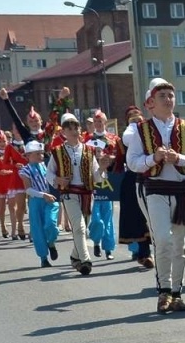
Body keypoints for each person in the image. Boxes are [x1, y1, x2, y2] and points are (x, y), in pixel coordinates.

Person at [126, 78, 185, 313]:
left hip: (181, 191)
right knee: (162, 239)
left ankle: (177, 293)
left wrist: (179, 159)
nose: (168, 100)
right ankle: (163, 291)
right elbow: (132, 163)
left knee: (180, 245)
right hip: (155, 189)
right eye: (163, 96)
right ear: (151, 102)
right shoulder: (142, 130)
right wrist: (155, 158)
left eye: (171, 96)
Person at [46, 113, 103, 275]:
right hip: (69, 193)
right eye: (68, 128)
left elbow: (96, 177)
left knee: (84, 229)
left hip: (86, 193)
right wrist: (58, 179)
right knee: (78, 227)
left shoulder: (89, 150)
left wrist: (103, 168)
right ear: (63, 132)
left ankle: (74, 256)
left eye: (75, 127)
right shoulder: (57, 152)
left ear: (80, 129)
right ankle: (86, 260)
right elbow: (48, 174)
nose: (73, 131)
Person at [111, 106, 154, 268]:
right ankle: (144, 253)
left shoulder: (150, 135)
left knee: (152, 215)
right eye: (132, 119)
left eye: (139, 118)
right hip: (132, 178)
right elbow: (118, 164)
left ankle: (148, 252)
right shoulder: (122, 141)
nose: (136, 121)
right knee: (137, 217)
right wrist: (109, 162)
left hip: (150, 175)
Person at [19, 141, 60, 268]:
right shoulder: (25, 171)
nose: (41, 156)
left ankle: (51, 242)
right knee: (38, 230)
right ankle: (43, 258)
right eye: (37, 154)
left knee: (51, 224)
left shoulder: (47, 166)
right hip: (36, 201)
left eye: (41, 153)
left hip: (51, 199)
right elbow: (28, 189)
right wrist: (43, 195)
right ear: (29, 155)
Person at [85, 113, 119, 260]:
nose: (98, 123)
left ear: (105, 122)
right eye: (96, 121)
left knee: (108, 217)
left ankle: (108, 249)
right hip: (93, 181)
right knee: (96, 217)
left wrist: (112, 159)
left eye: (100, 121)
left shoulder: (114, 139)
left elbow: (119, 157)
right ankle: (96, 241)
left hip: (107, 181)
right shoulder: (87, 140)